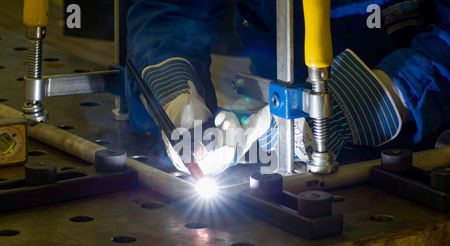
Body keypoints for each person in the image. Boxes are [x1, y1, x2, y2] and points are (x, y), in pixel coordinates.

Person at [125, 0, 450, 175]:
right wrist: (178, 99)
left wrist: (356, 105)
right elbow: (171, 11)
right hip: (280, 145)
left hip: (420, 149)